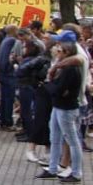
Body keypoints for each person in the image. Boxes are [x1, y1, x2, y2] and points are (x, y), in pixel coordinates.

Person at [36, 41, 84, 182]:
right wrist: (52, 84)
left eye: (60, 51)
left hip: (67, 109)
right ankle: (53, 168)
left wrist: (49, 85)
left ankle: (76, 172)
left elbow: (58, 89)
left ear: (66, 53)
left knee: (72, 141)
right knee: (54, 138)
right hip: (59, 106)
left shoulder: (70, 70)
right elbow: (57, 88)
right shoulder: (65, 69)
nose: (57, 52)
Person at [0, 24, 18, 130]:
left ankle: (3, 120)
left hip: (2, 73)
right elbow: (7, 58)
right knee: (9, 99)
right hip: (8, 74)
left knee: (4, 98)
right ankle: (8, 122)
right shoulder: (11, 41)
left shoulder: (5, 40)